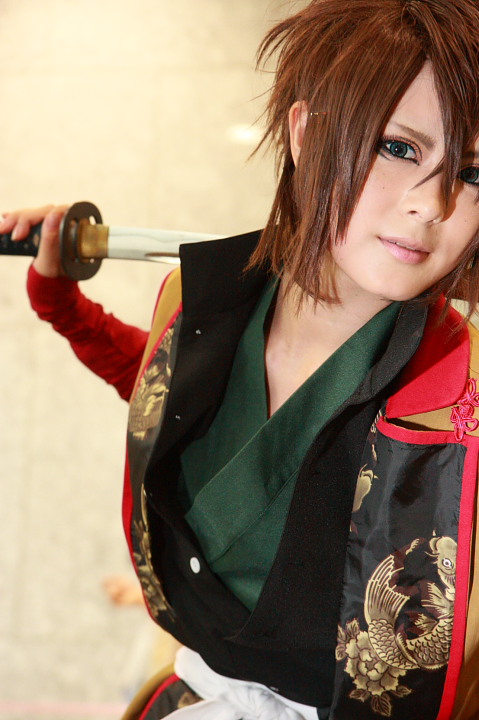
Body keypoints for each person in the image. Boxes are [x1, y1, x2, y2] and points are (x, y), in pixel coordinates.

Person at [4, 0, 479, 717]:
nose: (432, 205)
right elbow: (171, 397)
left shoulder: (457, 397)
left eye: (471, 173)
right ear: (305, 133)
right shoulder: (203, 299)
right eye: (398, 147)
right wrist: (60, 301)